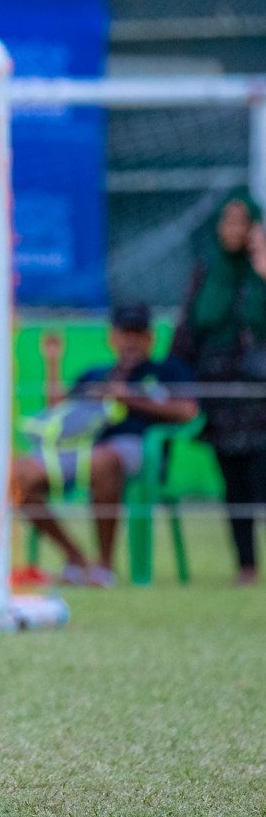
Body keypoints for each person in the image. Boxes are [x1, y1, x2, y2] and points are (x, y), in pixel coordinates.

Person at [13, 304, 198, 587]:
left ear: (151, 339)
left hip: (136, 448)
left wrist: (128, 399)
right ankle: (75, 558)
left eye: (138, 334)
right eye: (125, 334)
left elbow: (188, 412)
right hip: (81, 448)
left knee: (103, 460)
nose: (131, 342)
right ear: (112, 337)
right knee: (14, 473)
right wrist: (52, 362)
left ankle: (104, 566)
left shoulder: (167, 370)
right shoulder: (96, 374)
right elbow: (56, 411)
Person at [172, 190, 266, 585]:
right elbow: (189, 331)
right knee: (235, 485)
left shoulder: (259, 272)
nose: (234, 230)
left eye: (243, 222)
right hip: (219, 392)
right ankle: (246, 566)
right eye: (228, 221)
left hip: (259, 394)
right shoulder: (206, 271)